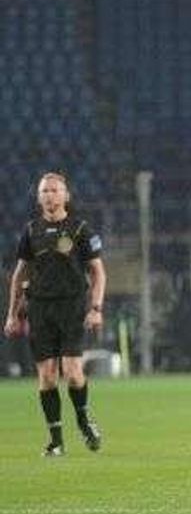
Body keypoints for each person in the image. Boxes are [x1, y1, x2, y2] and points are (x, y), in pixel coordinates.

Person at [3, 172, 106, 456]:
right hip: (40, 309)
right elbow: (19, 274)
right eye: (45, 191)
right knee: (47, 377)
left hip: (72, 307)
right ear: (39, 197)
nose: (50, 195)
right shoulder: (31, 231)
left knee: (72, 373)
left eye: (55, 190)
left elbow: (98, 272)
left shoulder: (80, 229)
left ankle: (84, 420)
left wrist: (96, 308)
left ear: (66, 196)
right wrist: (12, 314)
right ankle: (56, 441)